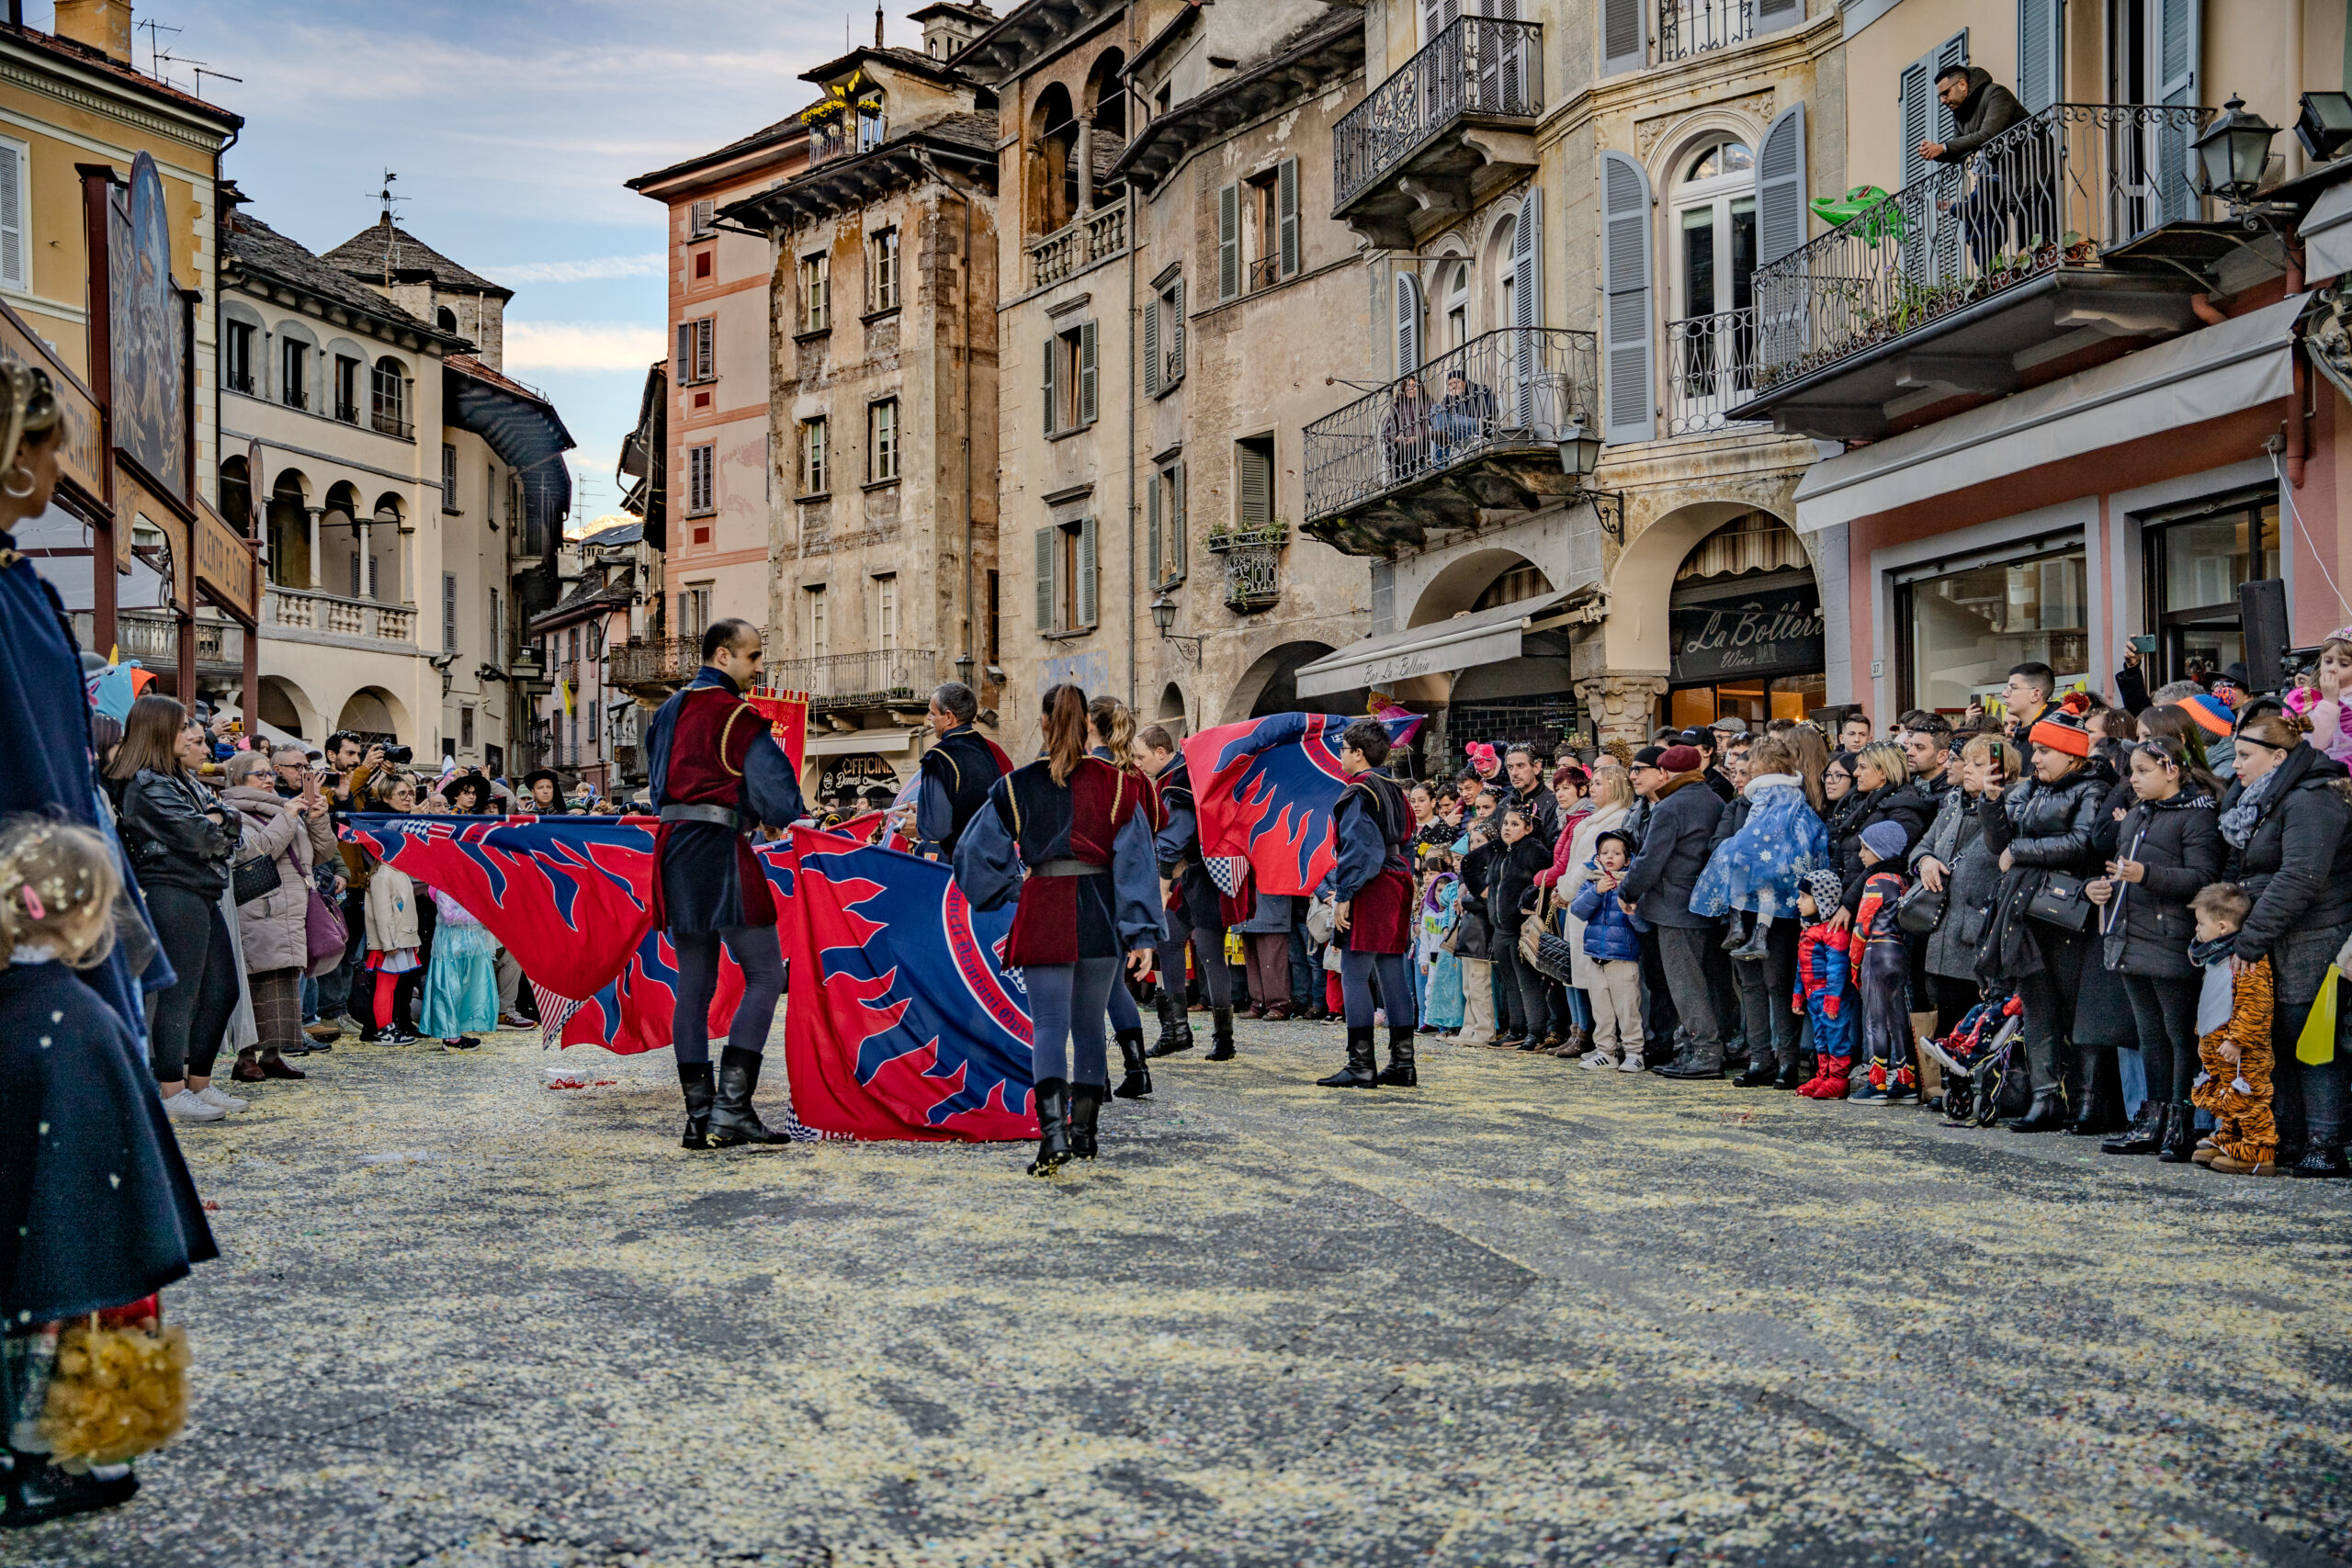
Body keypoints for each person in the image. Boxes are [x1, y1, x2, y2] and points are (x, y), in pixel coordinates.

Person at [0, 817, 217, 1528]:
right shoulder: (83, 1019)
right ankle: (39, 1467)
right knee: (48, 1327)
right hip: (58, 1224)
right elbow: (115, 1140)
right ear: (89, 915)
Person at [954, 684, 1159, 1174]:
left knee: (1048, 1026)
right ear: (1088, 724)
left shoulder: (1016, 785)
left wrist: (1012, 889)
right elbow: (1136, 861)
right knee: (1088, 1026)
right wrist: (1142, 933)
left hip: (1044, 904)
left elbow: (971, 853)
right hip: (1100, 908)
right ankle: (1085, 1134)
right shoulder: (1118, 784)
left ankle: (1053, 1137)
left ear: (1044, 722)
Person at [643, 618, 807, 1149]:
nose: (759, 667)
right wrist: (775, 814)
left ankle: (699, 1117)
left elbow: (657, 789)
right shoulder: (737, 715)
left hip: (673, 847)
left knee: (694, 985)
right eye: (753, 656)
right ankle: (731, 1111)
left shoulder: (665, 711)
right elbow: (780, 800)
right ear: (722, 656)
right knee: (765, 974)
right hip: (718, 846)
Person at [2216, 710, 2352, 1179]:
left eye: (2244, 755)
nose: (2235, 764)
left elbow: (2302, 877)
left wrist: (2251, 939)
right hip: (2282, 932)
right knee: (2280, 1036)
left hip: (2316, 932)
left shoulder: (2312, 799)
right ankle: (2290, 1140)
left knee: (2311, 1039)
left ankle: (2326, 1143)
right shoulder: (2269, 797)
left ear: (2278, 757)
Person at [2080, 735, 2222, 1157]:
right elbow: (2121, 870)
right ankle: (2153, 1117)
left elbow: (2204, 878)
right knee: (2149, 1035)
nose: (2133, 780)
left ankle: (2181, 1120)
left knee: (2178, 1034)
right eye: (2132, 772)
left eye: (2143, 771)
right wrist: (2098, 887)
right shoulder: (2139, 813)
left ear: (2172, 770)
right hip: (2130, 936)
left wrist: (2146, 875)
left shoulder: (2198, 815)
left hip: (2170, 938)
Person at [1977, 696, 2114, 1133]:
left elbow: (2082, 843)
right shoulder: (2028, 788)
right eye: (2035, 750)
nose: (2034, 759)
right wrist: (1991, 801)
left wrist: (2020, 851)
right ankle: (2045, 1098)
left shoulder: (2093, 787)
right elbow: (1998, 843)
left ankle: (2088, 1100)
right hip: (2025, 910)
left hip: (2069, 912)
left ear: (2072, 754)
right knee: (2037, 1007)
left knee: (2076, 1009)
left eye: (2044, 751)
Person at [105, 696, 240, 1123]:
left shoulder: (178, 778)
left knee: (222, 989)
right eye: (183, 727)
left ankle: (198, 1083)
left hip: (199, 887)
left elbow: (229, 821)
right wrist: (217, 821)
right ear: (161, 730)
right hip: (171, 888)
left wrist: (218, 821)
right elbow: (202, 835)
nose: (192, 735)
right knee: (180, 994)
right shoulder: (145, 782)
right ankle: (171, 1088)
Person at [1691, 734, 1825, 1088]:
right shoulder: (1742, 806)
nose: (1743, 776)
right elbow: (1719, 844)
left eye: (1749, 770)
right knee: (1750, 983)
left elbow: (1801, 851)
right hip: (1743, 907)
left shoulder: (1793, 806)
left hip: (1781, 909)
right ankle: (1760, 1058)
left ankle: (1787, 1060)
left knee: (1777, 983)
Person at [1311, 718, 1422, 1089]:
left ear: (1358, 753)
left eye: (1343, 749)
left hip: (1371, 883)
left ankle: (1360, 1064)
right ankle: (1403, 1065)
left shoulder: (1359, 790)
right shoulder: (1396, 789)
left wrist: (1345, 894)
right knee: (1391, 972)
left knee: (1354, 972)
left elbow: (1358, 848)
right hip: (1397, 879)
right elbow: (1407, 844)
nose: (1341, 756)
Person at [220, 751, 333, 1087]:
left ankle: (273, 1055)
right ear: (239, 778)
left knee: (285, 982)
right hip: (258, 908)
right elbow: (255, 851)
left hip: (290, 908)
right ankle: (245, 1058)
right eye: (260, 774)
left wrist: (317, 819)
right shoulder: (233, 812)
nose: (269, 779)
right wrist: (287, 817)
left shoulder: (283, 808)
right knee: (256, 982)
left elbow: (322, 853)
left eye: (270, 773)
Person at [1619, 742, 1728, 1079]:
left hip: (1674, 906)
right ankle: (1700, 1049)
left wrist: (1627, 891)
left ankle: (1705, 1053)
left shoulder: (1669, 807)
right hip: (1707, 904)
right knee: (1707, 982)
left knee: (1685, 984)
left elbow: (1650, 860)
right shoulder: (1715, 801)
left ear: (1665, 773)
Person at [1137, 724, 1236, 1062]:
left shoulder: (1179, 779)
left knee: (1210, 952)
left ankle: (1224, 1038)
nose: (1138, 763)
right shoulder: (1176, 775)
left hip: (1204, 875)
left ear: (1160, 752)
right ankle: (1176, 1031)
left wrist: (1163, 878)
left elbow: (1176, 837)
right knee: (1168, 941)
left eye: (1141, 757)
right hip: (1188, 875)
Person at [1085, 695, 1162, 1097]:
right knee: (1113, 984)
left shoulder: (1088, 773)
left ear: (1090, 725)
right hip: (1128, 888)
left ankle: (1095, 1076)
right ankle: (1137, 1070)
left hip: (1092, 889)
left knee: (1088, 987)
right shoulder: (1137, 777)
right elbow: (1159, 821)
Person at [2187, 883, 2278, 1175]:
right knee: (2227, 1096)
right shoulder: (2217, 959)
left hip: (2242, 1051)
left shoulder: (2247, 960)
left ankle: (2258, 1152)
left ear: (2222, 927)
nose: (2197, 929)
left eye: (2201, 923)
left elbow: (2255, 1003)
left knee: (2249, 1099)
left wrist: (2238, 1039)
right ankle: (2230, 1139)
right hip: (2218, 1045)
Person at [1555, 767, 1633, 1059]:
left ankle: (1606, 1040)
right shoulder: (1591, 819)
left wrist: (1565, 889)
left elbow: (1591, 864)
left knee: (1607, 982)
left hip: (1599, 902)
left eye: (1599, 783)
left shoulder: (1617, 818)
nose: (1593, 788)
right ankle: (1587, 1034)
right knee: (1581, 974)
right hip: (1582, 899)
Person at [1847, 821, 1917, 1105]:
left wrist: (1854, 963)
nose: (1861, 854)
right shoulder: (1903, 881)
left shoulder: (1875, 881)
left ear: (1880, 850)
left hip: (1876, 952)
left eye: (1865, 848)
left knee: (1875, 1018)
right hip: (1899, 952)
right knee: (1898, 1018)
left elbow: (1862, 926)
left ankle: (1876, 1083)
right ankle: (1907, 1081)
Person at [1567, 830, 1647, 1070]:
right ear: (1598, 857)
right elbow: (1578, 910)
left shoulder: (1633, 884)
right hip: (1595, 956)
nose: (1610, 857)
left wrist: (1630, 907)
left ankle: (1634, 1052)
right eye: (1604, 852)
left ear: (1628, 859)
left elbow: (1642, 923)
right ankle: (1606, 1052)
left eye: (1616, 853)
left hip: (1623, 957)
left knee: (1628, 1009)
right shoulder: (1593, 880)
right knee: (1601, 1009)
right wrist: (1597, 891)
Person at [357, 774, 424, 1044]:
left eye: (411, 793)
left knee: (396, 983)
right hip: (390, 939)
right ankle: (382, 1027)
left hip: (400, 935)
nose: (408, 798)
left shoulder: (396, 871)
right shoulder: (384, 873)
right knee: (385, 984)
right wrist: (390, 942)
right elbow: (383, 913)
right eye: (402, 794)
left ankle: (393, 1024)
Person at [913, 681, 1012, 860]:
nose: (929, 718)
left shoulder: (938, 757)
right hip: (1002, 861)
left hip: (965, 864)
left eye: (933, 713)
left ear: (949, 717)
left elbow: (936, 829)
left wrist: (918, 824)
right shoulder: (997, 752)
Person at [1486, 804, 1553, 1052]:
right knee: (1511, 982)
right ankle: (1516, 1029)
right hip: (1500, 927)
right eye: (1505, 823)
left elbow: (1544, 879)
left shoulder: (1533, 848)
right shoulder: (1501, 851)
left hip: (1521, 927)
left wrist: (1527, 901)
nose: (1508, 828)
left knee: (1528, 981)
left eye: (1515, 824)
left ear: (1528, 828)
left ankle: (1535, 1031)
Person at [1793, 870, 1857, 1098]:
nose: (1798, 902)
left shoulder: (1835, 932)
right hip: (1814, 999)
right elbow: (1801, 967)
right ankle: (1823, 1075)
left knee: (1836, 1037)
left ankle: (1839, 1078)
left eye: (1804, 897)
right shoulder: (1809, 930)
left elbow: (1838, 970)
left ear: (1822, 900)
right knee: (1820, 1037)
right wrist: (1798, 996)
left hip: (1831, 999)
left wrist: (1832, 1000)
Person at [1453, 823, 1498, 1045]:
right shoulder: (1472, 870)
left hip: (1482, 930)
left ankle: (1484, 1030)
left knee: (1480, 984)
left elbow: (1488, 899)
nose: (1474, 845)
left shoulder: (1493, 868)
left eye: (1480, 841)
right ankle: (1468, 1027)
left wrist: (1465, 901)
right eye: (1472, 841)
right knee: (1468, 986)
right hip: (1469, 930)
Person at [1417, 849, 1464, 1036]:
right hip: (1433, 959)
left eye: (1445, 891)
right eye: (1438, 891)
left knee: (1451, 991)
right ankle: (1431, 1021)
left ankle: (1449, 1024)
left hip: (1451, 959)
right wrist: (1423, 960)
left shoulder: (1451, 914)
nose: (1440, 895)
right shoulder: (1428, 915)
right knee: (1430, 990)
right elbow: (1424, 941)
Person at [1384, 375, 1433, 480]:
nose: (1411, 388)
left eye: (1414, 385)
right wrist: (1397, 438)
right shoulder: (1397, 407)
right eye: (1408, 386)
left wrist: (1417, 437)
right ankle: (1399, 479)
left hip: (1422, 440)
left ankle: (1404, 479)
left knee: (1415, 447)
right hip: (1401, 443)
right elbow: (1387, 431)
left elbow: (1434, 424)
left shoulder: (1427, 402)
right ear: (1404, 389)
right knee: (1396, 449)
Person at [1430, 367, 1495, 449]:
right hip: (1456, 429)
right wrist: (1450, 399)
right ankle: (1441, 435)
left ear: (1465, 382)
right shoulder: (1449, 398)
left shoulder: (1481, 390)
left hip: (1476, 425)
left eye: (1456, 382)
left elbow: (1490, 410)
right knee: (1436, 409)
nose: (1453, 386)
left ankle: (1441, 434)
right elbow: (1436, 418)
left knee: (1442, 424)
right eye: (1450, 384)